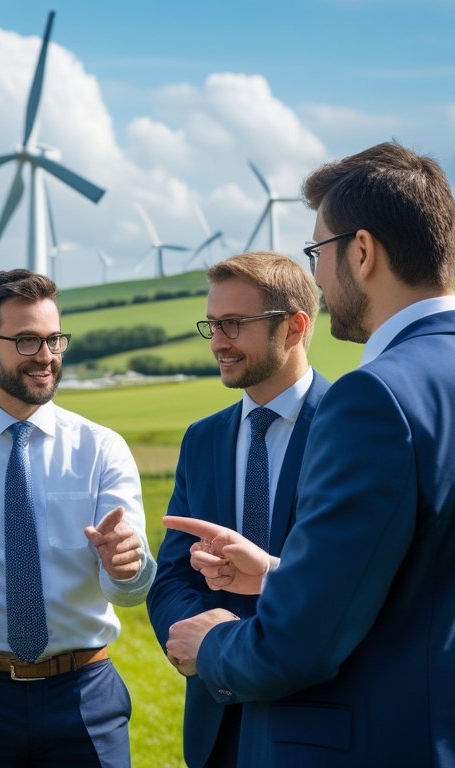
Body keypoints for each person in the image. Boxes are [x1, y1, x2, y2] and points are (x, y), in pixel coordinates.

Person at [165, 142, 455, 767]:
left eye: (318, 253)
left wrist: (215, 644)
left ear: (361, 252)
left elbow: (302, 643)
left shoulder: (376, 397)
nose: (321, 281)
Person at [0, 269, 156, 768]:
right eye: (26, 341)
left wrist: (127, 567)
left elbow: (130, 592)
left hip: (85, 696)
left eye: (53, 339)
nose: (45, 356)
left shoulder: (101, 448)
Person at [145, 250, 330, 767]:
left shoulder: (348, 430)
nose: (218, 342)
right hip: (217, 722)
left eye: (233, 324)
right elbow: (174, 577)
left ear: (294, 327)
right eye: (213, 325)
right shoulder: (202, 440)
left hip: (316, 715)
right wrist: (204, 646)